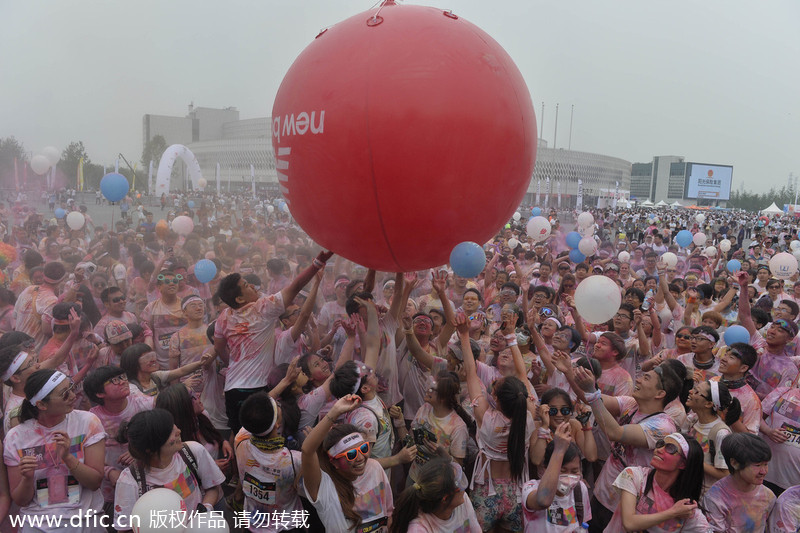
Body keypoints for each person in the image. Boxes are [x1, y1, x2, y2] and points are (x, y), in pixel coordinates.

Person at [214, 251, 332, 434]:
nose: (252, 285)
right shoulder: (263, 308)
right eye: (246, 285)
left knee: (240, 437)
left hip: (232, 389)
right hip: (258, 388)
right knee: (264, 436)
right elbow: (296, 286)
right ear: (239, 298)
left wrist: (230, 363)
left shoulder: (223, 317)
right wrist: (317, 263)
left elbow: (219, 346)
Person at [571, 364, 680, 532]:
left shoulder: (663, 426)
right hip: (602, 493)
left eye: (646, 378)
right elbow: (590, 399)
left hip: (625, 504)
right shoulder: (631, 404)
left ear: (660, 393)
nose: (638, 379)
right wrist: (567, 372)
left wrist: (592, 393)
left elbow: (615, 432)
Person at [457, 310, 536, 532]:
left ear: (496, 400)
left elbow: (471, 373)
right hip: (517, 493)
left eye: (496, 387)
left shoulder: (487, 418)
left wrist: (464, 335)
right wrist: (511, 337)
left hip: (486, 493)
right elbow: (523, 373)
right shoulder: (528, 417)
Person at [4, 369, 106, 532]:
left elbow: (95, 482)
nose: (73, 396)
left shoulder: (87, 422)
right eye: (65, 394)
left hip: (86, 520)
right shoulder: (16, 437)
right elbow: (20, 500)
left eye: (71, 388)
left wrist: (68, 457)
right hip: (38, 524)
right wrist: (27, 478)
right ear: (42, 405)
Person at [113, 409, 226, 532]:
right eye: (170, 432)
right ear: (150, 448)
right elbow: (125, 529)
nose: (178, 431)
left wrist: (205, 509)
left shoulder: (193, 452)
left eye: (174, 425)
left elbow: (212, 488)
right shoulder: (129, 481)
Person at [300, 395, 394, 533]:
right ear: (334, 462)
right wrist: (336, 411)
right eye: (351, 455)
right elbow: (307, 451)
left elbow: (389, 513)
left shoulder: (374, 468)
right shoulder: (325, 488)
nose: (361, 457)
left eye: (363, 449)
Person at [604, 432, 709, 532]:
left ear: (682, 464)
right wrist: (673, 512)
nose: (659, 450)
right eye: (661, 444)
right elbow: (629, 523)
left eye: (670, 448)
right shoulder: (634, 476)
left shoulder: (687, 510)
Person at [84, 365, 154, 514]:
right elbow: (86, 459)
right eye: (114, 380)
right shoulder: (91, 419)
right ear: (99, 393)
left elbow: (163, 434)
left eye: (122, 377)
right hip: (111, 490)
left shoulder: (143, 403)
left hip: (149, 482)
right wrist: (109, 472)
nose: (122, 382)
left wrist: (138, 452)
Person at [235, 391, 305, 533]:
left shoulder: (240, 442)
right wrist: (313, 452)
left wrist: (285, 381)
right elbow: (309, 491)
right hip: (287, 527)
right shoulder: (294, 460)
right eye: (277, 407)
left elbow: (253, 412)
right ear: (277, 424)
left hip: (252, 526)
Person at [523, 422, 592, 532]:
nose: (569, 477)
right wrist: (559, 450)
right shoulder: (531, 488)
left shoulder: (580, 489)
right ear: (546, 468)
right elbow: (543, 501)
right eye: (562, 471)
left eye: (574, 471)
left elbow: (583, 524)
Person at [701, 432, 776, 532]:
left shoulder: (768, 496)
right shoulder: (715, 499)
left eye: (765, 464)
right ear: (734, 463)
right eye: (757, 465)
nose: (763, 471)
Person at [389, 457, 479, 533]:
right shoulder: (419, 529)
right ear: (445, 498)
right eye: (459, 484)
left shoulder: (462, 501)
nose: (463, 488)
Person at [686, 379, 737, 495]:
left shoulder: (721, 433)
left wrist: (692, 459)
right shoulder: (693, 419)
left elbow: (725, 473)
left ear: (709, 404)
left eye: (696, 392)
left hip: (704, 494)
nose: (690, 392)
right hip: (687, 486)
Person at [120, 343, 212, 397]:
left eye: (153, 355)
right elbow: (155, 402)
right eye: (147, 358)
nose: (153, 360)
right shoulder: (132, 389)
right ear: (134, 364)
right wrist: (182, 386)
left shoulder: (155, 376)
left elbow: (181, 371)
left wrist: (200, 363)